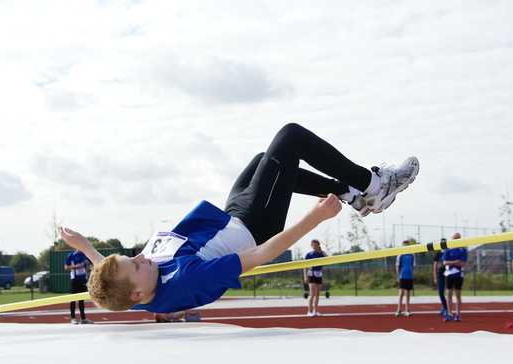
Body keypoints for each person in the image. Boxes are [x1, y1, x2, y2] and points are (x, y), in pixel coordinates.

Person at [59, 123, 419, 314]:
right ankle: (374, 184)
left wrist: (87, 248)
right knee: (291, 137)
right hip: (252, 224)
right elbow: (259, 257)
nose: (141, 256)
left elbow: (113, 290)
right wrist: (313, 219)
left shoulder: (135, 287)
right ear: (139, 290)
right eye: (135, 264)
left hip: (229, 215)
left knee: (269, 159)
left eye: (130, 257)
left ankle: (354, 195)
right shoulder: (185, 280)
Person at [442, 233, 467, 322]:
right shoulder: (448, 250)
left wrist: (451, 262)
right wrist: (456, 261)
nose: (456, 240)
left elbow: (463, 263)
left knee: (457, 294)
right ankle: (449, 313)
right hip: (449, 274)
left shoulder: (462, 250)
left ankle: (458, 314)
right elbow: (445, 262)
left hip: (458, 274)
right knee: (448, 293)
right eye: (454, 238)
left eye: (457, 238)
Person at [64, 249, 94, 324]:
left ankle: (83, 318)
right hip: (75, 278)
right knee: (73, 298)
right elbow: (66, 267)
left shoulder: (85, 254)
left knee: (82, 299)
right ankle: (73, 318)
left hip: (83, 279)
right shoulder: (72, 255)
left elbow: (91, 267)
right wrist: (75, 266)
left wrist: (88, 264)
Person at [304, 239, 327, 317]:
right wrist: (305, 276)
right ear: (312, 246)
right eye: (314, 245)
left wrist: (322, 251)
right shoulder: (309, 255)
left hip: (319, 273)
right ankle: (309, 311)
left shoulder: (321, 254)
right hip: (311, 274)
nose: (315, 247)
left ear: (319, 246)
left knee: (317, 293)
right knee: (312, 293)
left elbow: (327, 258)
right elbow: (305, 266)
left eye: (317, 245)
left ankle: (315, 310)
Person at [395, 240, 416, 316]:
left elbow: (413, 265)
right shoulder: (400, 255)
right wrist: (398, 276)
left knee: (408, 293)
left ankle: (407, 309)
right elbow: (397, 266)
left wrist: (411, 273)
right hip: (402, 275)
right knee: (401, 293)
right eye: (404, 246)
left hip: (409, 276)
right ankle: (399, 309)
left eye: (407, 245)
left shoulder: (412, 255)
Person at [432, 238, 448, 316]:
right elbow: (435, 266)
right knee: (441, 292)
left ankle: (448, 308)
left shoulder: (448, 252)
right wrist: (435, 277)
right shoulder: (438, 254)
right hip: (440, 275)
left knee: (448, 292)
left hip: (448, 275)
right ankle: (444, 307)